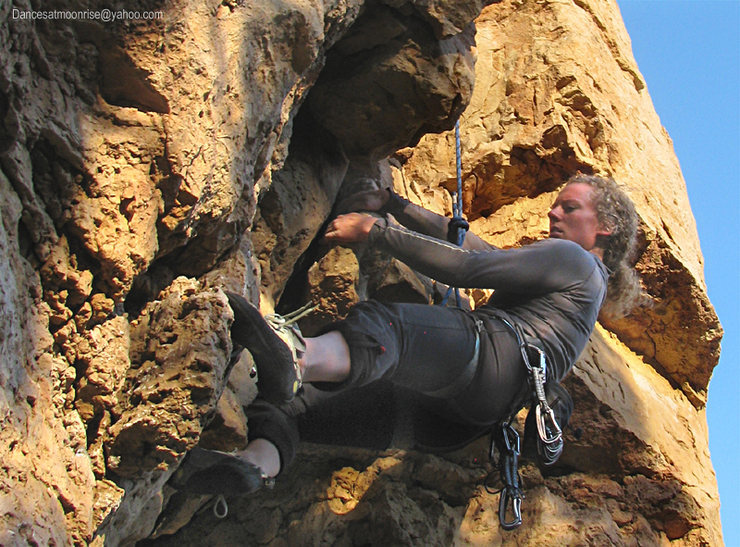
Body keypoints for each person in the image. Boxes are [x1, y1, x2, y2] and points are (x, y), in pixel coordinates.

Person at [170, 173, 640, 495]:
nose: (553, 213)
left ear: (606, 227)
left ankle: (297, 357)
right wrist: (397, 204)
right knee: (297, 412)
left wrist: (377, 231)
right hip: (458, 422)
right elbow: (475, 247)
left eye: (569, 207)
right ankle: (253, 468)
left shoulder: (576, 259)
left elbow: (468, 266)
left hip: (491, 359)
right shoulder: (586, 290)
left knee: (387, 326)